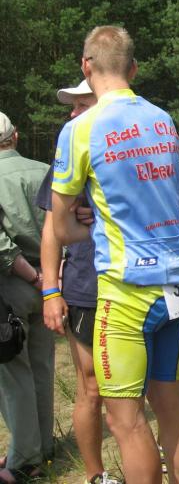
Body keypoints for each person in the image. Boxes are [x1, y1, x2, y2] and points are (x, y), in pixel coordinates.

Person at [50, 26, 179, 484]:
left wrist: (89, 229)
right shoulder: (162, 118)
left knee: (125, 420)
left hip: (127, 286)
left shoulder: (80, 128)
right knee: (170, 404)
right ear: (133, 69)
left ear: (86, 66)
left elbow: (61, 227)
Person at [36, 80, 123, 484]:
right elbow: (50, 230)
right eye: (71, 107)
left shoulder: (137, 144)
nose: (72, 115)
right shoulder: (68, 152)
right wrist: (50, 291)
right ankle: (96, 476)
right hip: (86, 285)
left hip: (137, 281)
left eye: (81, 105)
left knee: (159, 384)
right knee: (92, 386)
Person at [0, 112, 52, 484]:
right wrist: (50, 278)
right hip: (50, 282)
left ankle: (24, 458)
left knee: (13, 372)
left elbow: (2, 248)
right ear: (15, 136)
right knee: (42, 365)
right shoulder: (45, 170)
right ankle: (43, 445)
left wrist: (33, 277)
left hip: (13, 285)